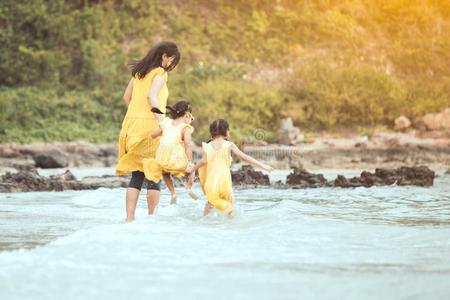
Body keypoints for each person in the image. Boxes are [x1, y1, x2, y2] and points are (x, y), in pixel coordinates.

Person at [115, 41, 180, 222]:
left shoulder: (138, 73)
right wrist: (162, 122)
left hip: (130, 126)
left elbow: (126, 97)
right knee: (154, 174)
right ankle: (152, 219)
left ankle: (129, 219)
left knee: (137, 175)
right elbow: (151, 96)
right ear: (164, 56)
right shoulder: (160, 73)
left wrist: (136, 114)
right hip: (150, 127)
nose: (170, 65)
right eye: (172, 60)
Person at [188, 119, 274, 218]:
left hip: (211, 183)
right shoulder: (229, 145)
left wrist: (192, 170)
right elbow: (244, 157)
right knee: (228, 207)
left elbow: (203, 161)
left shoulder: (207, 146)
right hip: (224, 182)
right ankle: (232, 227)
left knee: (211, 202)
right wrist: (263, 166)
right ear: (225, 131)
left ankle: (204, 223)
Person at [143, 101, 198, 206]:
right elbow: (187, 144)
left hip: (162, 159)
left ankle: (173, 193)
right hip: (177, 159)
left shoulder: (166, 123)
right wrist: (190, 161)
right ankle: (188, 188)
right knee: (191, 170)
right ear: (187, 115)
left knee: (165, 173)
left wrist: (162, 127)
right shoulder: (185, 128)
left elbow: (153, 135)